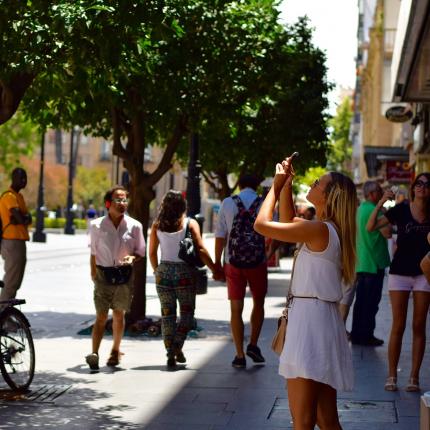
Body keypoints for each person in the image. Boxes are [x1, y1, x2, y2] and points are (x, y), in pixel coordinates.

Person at [254, 157, 356, 430]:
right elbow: (288, 223)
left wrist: (274, 188)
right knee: (326, 419)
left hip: (309, 323)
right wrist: (287, 185)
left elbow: (262, 225)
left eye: (318, 183)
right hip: (321, 319)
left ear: (330, 195)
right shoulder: (328, 230)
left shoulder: (319, 229)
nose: (312, 183)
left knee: (303, 421)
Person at [367, 173, 430, 392]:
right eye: (419, 183)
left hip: (424, 273)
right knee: (398, 324)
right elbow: (370, 226)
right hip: (400, 272)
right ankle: (392, 375)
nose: (423, 187)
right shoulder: (401, 210)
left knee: (419, 325)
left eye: (427, 184)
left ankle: (414, 377)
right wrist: (382, 202)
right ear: (413, 188)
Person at [149, 190, 218, 368]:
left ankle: (171, 350)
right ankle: (175, 348)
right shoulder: (189, 223)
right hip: (184, 274)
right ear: (183, 205)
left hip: (163, 272)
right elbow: (201, 249)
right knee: (187, 315)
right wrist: (215, 269)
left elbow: (152, 253)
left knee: (167, 315)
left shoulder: (157, 225)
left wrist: (158, 271)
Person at [85, 186, 146, 370]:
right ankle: (94, 353)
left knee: (119, 315)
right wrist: (93, 274)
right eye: (118, 200)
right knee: (101, 316)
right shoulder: (96, 225)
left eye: (125, 199)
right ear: (108, 203)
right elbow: (93, 252)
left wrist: (132, 258)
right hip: (103, 275)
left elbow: (141, 251)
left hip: (123, 275)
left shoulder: (135, 226)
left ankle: (114, 351)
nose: (122, 203)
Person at [215, 173, 268, 368]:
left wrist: (217, 262)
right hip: (258, 262)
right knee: (259, 302)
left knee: (236, 308)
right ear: (256, 185)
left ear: (240, 185)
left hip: (233, 262)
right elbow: (274, 233)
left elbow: (220, 234)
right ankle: (253, 344)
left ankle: (239, 354)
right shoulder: (265, 203)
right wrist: (267, 251)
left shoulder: (228, 203)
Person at [350, 181, 391, 346]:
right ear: (373, 194)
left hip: (362, 262)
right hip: (374, 263)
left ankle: (357, 334)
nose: (381, 193)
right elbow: (387, 233)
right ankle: (366, 336)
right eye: (380, 191)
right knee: (371, 304)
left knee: (361, 303)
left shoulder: (360, 210)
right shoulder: (374, 211)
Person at [0, 168, 32, 303]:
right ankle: (2, 312)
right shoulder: (9, 196)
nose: (24, 181)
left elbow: (28, 219)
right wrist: (23, 218)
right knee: (11, 280)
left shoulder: (19, 197)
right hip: (11, 241)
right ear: (14, 179)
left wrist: (24, 218)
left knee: (16, 280)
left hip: (19, 241)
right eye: (21, 178)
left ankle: (7, 314)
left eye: (25, 178)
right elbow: (21, 218)